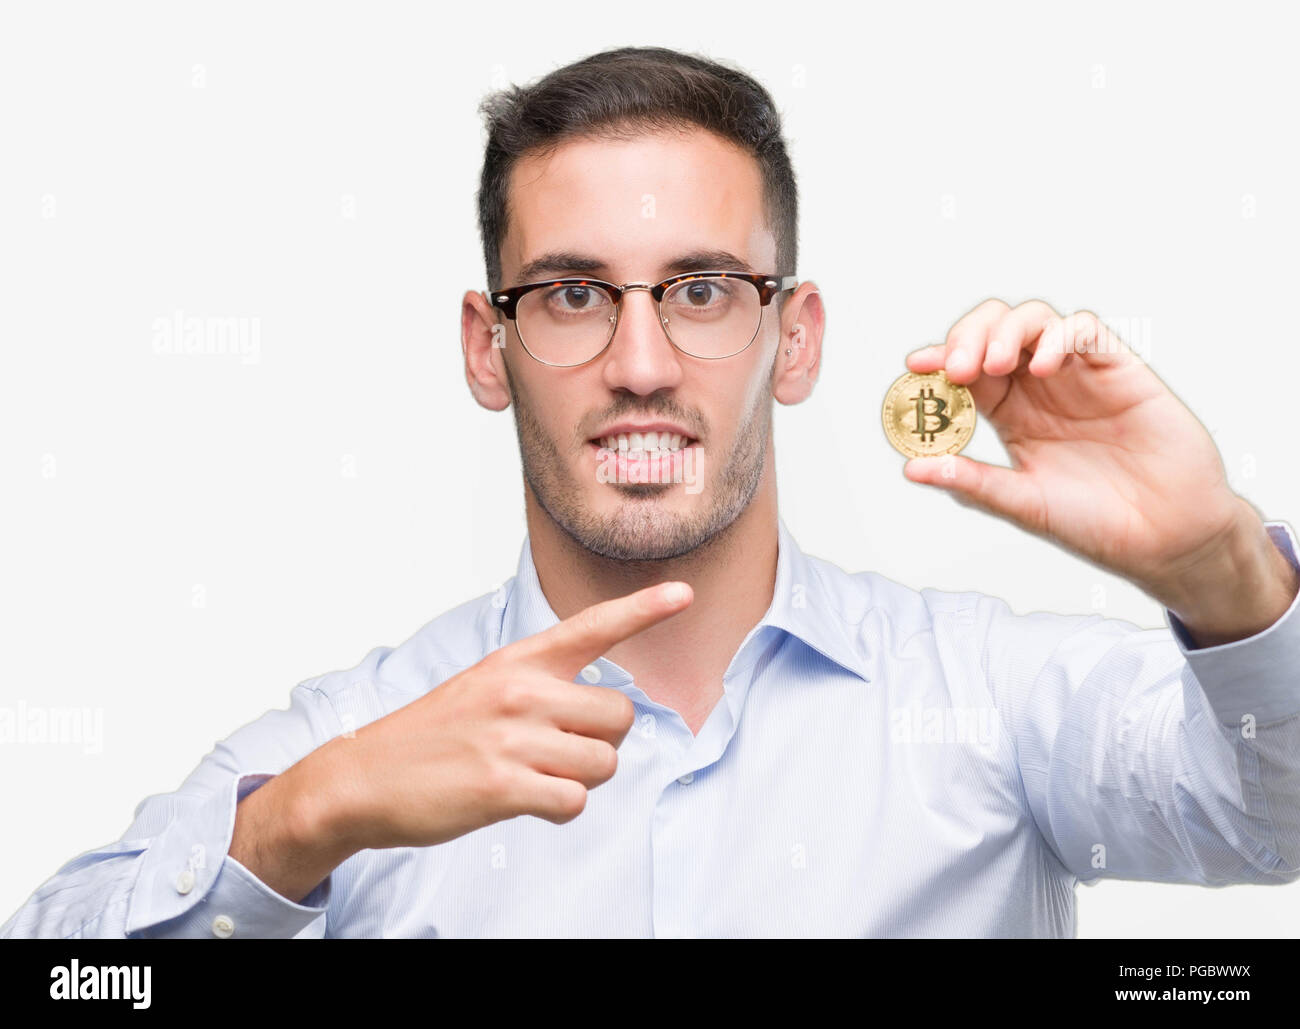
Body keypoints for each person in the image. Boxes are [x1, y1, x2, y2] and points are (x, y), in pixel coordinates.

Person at [5, 45, 1299, 940]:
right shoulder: (363, 743)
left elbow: (1270, 818)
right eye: (571, 293)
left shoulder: (994, 703)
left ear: (793, 341)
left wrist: (1220, 571)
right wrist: (301, 822)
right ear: (483, 345)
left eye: (699, 291)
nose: (638, 365)